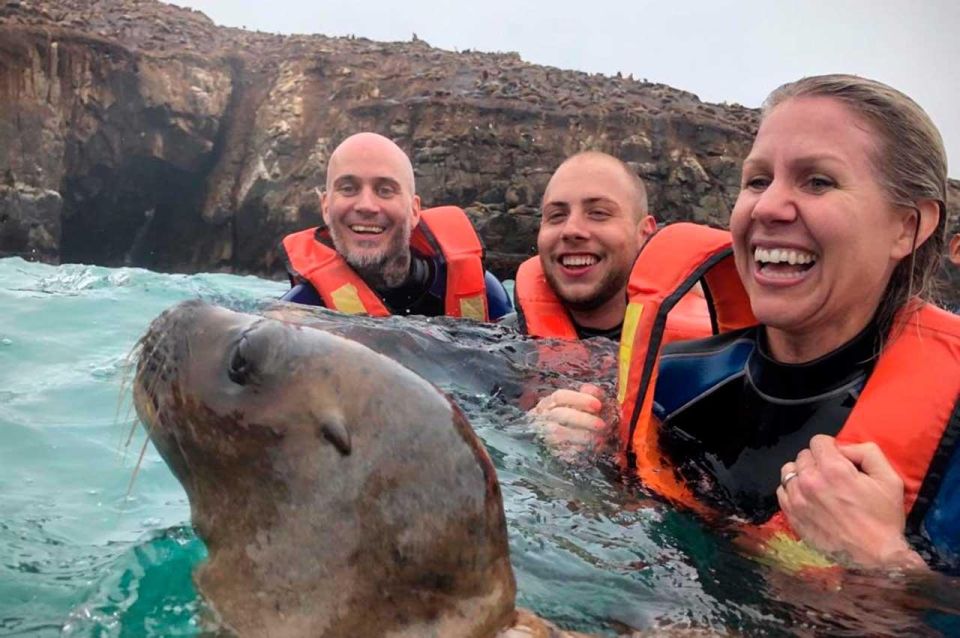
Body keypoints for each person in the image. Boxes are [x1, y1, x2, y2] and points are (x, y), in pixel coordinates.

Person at [541, 75, 960, 573]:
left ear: (907, 226)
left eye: (818, 181)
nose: (767, 207)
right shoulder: (672, 382)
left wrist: (887, 562)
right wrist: (577, 463)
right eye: (758, 181)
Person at [280, 132, 512, 320]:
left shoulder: (485, 295)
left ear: (414, 211)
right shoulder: (299, 316)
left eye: (385, 190)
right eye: (348, 188)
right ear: (326, 208)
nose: (366, 206)